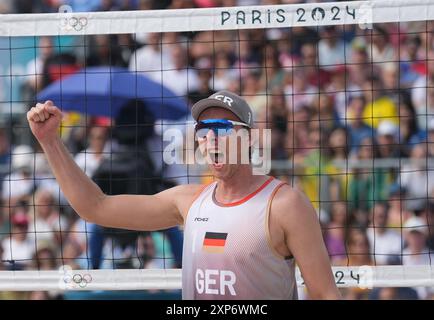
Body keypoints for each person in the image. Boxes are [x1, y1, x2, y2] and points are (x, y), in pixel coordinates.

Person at [27, 90, 340, 300]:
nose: (211, 138)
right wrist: (50, 141)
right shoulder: (188, 201)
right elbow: (95, 207)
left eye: (223, 128)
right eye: (203, 130)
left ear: (250, 139)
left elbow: (325, 294)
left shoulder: (285, 204)